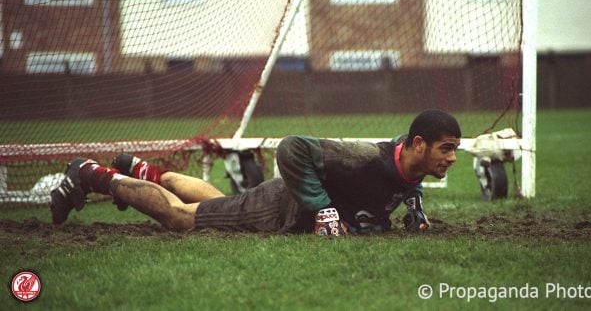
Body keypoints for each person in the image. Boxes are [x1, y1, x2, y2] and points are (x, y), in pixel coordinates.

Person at [50, 109, 461, 235]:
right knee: (180, 218)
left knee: (217, 200)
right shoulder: (363, 157)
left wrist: (415, 206)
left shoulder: (409, 163)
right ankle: (90, 174)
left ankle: (142, 170)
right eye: (447, 149)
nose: (453, 159)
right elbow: (292, 147)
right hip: (278, 208)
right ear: (418, 144)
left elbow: (399, 179)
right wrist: (323, 211)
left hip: (285, 203)